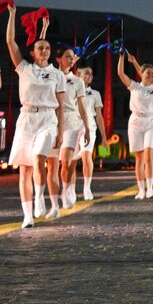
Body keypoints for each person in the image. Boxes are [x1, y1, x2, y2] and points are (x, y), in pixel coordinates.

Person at [6, 4, 65, 226]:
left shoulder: (56, 75)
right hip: (26, 119)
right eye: (40, 48)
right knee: (25, 170)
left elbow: (59, 105)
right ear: (32, 52)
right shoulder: (24, 68)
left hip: (48, 119)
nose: (44, 51)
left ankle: (40, 198)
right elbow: (11, 43)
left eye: (47, 48)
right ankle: (28, 216)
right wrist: (12, 15)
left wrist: (60, 131)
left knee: (40, 156)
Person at [117, 52, 153, 200]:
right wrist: (121, 56)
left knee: (148, 155)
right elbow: (120, 73)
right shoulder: (134, 87)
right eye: (148, 73)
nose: (151, 75)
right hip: (135, 123)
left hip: (151, 122)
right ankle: (141, 189)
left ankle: (150, 188)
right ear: (141, 73)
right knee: (138, 158)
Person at [54, 46, 90, 209]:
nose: (70, 59)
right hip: (51, 120)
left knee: (67, 162)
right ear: (58, 59)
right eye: (66, 57)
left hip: (71, 120)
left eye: (72, 57)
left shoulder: (77, 81)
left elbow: (82, 106)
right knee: (54, 163)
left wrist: (87, 127)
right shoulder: (52, 76)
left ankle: (66, 190)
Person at [78, 66, 103, 200]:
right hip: (73, 125)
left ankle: (87, 187)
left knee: (86, 157)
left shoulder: (95, 94)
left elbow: (99, 116)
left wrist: (104, 137)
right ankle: (68, 189)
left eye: (91, 74)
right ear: (78, 74)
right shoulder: (70, 88)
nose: (89, 76)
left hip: (90, 127)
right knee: (68, 161)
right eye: (86, 73)